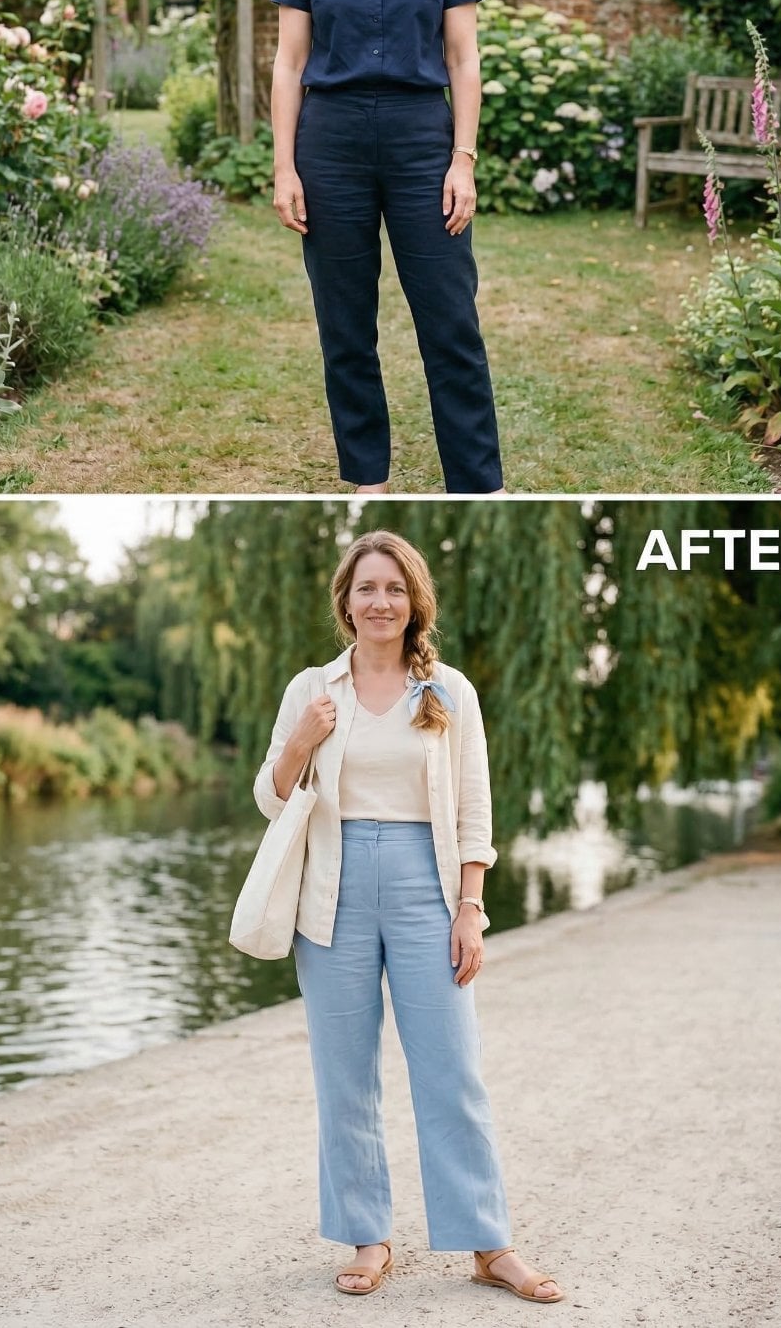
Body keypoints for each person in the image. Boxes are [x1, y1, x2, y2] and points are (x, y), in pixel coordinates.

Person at [253, 529, 563, 1302]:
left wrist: (470, 906)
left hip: (428, 885)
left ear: (413, 600)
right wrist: (300, 740)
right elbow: (270, 796)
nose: (380, 601)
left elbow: (474, 806)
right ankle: (369, 1237)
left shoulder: (449, 690)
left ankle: (490, 1244)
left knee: (452, 1068)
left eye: (394, 588)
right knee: (344, 1073)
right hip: (333, 886)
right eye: (366, 589)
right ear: (346, 602)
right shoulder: (313, 690)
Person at [270, 0, 505, 496]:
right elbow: (288, 64)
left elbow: (464, 61)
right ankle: (366, 480)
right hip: (331, 143)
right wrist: (284, 165)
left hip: (419, 140)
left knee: (450, 318)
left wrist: (463, 160)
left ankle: (478, 483)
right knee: (345, 325)